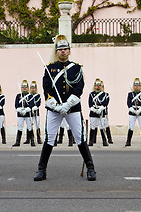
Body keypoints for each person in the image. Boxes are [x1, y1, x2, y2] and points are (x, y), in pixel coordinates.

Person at [34, 35, 96, 181]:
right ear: (56, 52)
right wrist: (56, 105)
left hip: (72, 108)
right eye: (60, 49)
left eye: (65, 49)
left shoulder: (77, 68)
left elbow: (79, 88)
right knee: (49, 139)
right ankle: (41, 170)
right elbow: (46, 89)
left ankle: (91, 168)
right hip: (55, 109)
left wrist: (68, 104)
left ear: (69, 51)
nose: (62, 51)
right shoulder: (49, 69)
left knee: (80, 138)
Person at [125, 78, 141, 147]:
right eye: (135, 85)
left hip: (140, 112)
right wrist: (132, 109)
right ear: (133, 86)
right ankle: (128, 141)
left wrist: (140, 109)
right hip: (132, 112)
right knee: (131, 127)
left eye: (138, 85)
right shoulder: (130, 94)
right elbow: (128, 103)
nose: (137, 87)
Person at [12, 80, 34, 147]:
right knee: (20, 127)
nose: (24, 88)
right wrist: (20, 110)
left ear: (28, 88)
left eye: (26, 87)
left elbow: (31, 104)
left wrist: (26, 110)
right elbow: (16, 105)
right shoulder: (18, 96)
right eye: (23, 87)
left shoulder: (30, 96)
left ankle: (32, 141)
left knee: (30, 127)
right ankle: (17, 141)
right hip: (20, 114)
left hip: (28, 114)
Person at [88, 78, 109, 147]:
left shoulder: (104, 94)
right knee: (92, 127)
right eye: (96, 85)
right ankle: (91, 141)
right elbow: (90, 104)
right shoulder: (91, 94)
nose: (98, 86)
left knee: (102, 127)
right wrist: (94, 109)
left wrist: (100, 109)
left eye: (99, 85)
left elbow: (105, 103)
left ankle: (104, 141)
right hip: (93, 114)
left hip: (101, 113)